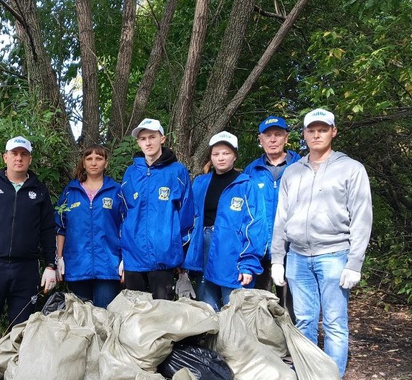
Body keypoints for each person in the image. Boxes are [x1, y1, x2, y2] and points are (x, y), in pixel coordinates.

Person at [271, 108, 372, 377]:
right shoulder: (292, 172)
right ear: (303, 134)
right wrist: (277, 259)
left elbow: (362, 218)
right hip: (298, 257)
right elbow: (281, 218)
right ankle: (308, 378)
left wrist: (354, 263)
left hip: (335, 254)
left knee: (335, 322)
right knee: (303, 321)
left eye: (323, 129)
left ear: (333, 131)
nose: (316, 135)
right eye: (311, 130)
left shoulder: (351, 169)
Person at [0, 136, 57, 355]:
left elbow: (48, 230)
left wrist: (51, 265)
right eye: (14, 153)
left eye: (23, 154)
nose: (19, 158)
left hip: (27, 269)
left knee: (22, 328)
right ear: (5, 157)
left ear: (30, 159)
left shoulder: (39, 191)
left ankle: (14, 378)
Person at [183, 132, 266, 311]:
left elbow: (255, 225)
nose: (221, 158)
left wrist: (248, 264)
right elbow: (189, 219)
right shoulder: (200, 183)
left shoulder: (246, 185)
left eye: (226, 153)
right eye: (216, 154)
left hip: (232, 252)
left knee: (235, 309)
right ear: (211, 157)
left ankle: (235, 340)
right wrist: (185, 256)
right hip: (203, 249)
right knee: (207, 309)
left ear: (234, 156)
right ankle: (211, 339)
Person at [119, 118, 194, 299]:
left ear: (162, 139)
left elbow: (187, 215)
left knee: (162, 317)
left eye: (152, 137)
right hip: (133, 258)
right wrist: (123, 254)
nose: (148, 142)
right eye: (143, 138)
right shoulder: (131, 173)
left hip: (164, 257)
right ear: (138, 142)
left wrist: (179, 250)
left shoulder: (177, 171)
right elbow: (122, 213)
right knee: (134, 317)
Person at [244, 115, 301, 315]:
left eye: (278, 134)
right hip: (260, 248)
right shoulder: (252, 171)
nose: (273, 139)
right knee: (260, 307)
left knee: (291, 308)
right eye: (268, 135)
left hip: (292, 248)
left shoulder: (300, 167)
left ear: (286, 138)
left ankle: (292, 345)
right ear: (260, 139)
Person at [55, 145, 124, 308]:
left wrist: (125, 259)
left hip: (108, 266)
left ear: (106, 163)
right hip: (77, 266)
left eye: (99, 159)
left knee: (104, 319)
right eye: (89, 159)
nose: (94, 163)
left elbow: (125, 227)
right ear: (83, 163)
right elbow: (60, 226)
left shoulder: (117, 191)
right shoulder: (70, 192)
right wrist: (59, 258)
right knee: (82, 321)